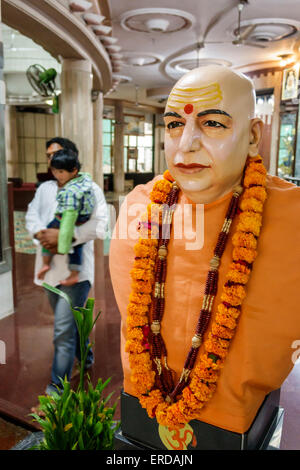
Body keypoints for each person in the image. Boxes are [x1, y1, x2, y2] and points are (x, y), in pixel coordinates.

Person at [109, 65, 300, 438]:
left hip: (239, 420)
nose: (186, 144)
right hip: (142, 408)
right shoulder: (138, 208)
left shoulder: (292, 219)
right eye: (174, 125)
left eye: (212, 124)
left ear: (252, 136)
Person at [26, 137, 108, 397]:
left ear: (72, 157)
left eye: (57, 154)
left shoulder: (90, 188)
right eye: (48, 156)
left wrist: (68, 236)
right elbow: (32, 215)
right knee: (71, 325)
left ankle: (56, 388)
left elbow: (101, 225)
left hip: (77, 273)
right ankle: (87, 354)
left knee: (62, 329)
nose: (52, 160)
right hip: (49, 270)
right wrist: (40, 232)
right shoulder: (45, 189)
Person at [38, 149, 95, 287]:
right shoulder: (84, 180)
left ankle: (47, 264)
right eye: (54, 171)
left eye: (61, 172)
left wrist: (63, 244)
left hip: (67, 218)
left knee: (48, 233)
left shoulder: (71, 191)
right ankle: (72, 272)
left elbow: (69, 218)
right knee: (77, 246)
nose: (57, 175)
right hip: (82, 218)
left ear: (74, 170)